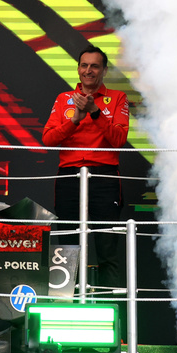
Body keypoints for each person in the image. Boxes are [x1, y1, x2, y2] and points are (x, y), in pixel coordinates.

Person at [41, 45, 129, 288]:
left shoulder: (117, 98)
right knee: (67, 244)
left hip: (104, 176)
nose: (88, 70)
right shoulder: (63, 99)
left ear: (103, 70)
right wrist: (74, 121)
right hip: (69, 175)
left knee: (107, 244)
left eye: (94, 66)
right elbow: (48, 139)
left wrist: (95, 113)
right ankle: (66, 307)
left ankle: (112, 307)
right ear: (78, 69)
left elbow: (119, 140)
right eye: (84, 65)